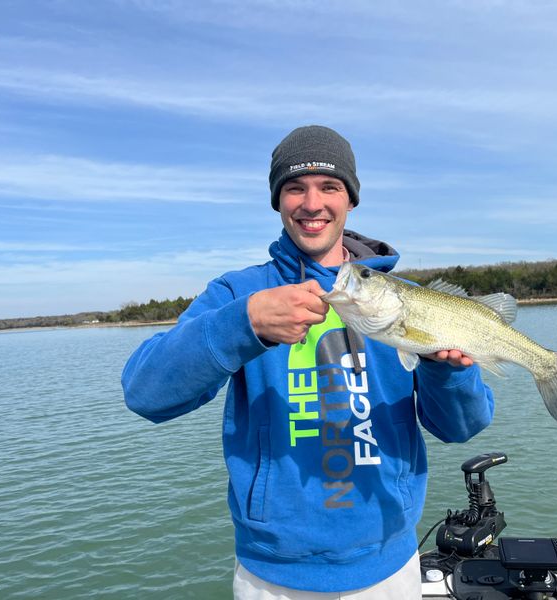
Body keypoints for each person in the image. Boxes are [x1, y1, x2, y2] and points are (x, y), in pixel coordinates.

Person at [122, 125, 495, 599]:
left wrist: (446, 370)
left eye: (330, 187)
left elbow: (462, 426)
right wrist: (245, 324)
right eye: (295, 188)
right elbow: (144, 393)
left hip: (390, 562)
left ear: (351, 201)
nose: (312, 203)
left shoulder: (408, 300)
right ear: (278, 201)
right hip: (272, 575)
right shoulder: (238, 294)